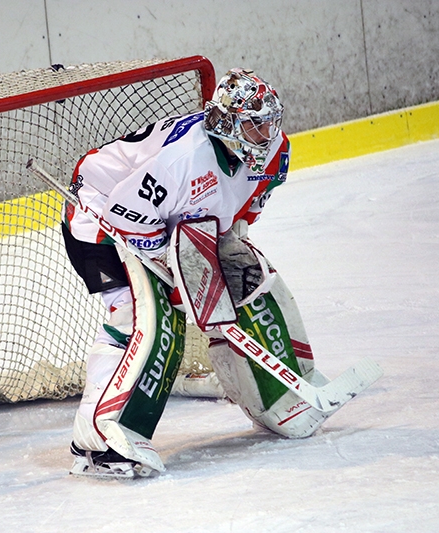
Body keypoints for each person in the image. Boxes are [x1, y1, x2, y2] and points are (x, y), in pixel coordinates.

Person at [61, 68, 327, 478]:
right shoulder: (183, 159)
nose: (267, 133)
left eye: (269, 122)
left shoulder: (273, 151)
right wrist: (176, 268)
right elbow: (127, 213)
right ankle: (96, 442)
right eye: (254, 125)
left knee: (244, 282)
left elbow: (243, 212)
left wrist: (221, 252)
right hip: (100, 219)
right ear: (226, 124)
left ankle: (275, 399)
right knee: (138, 317)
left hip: (169, 223)